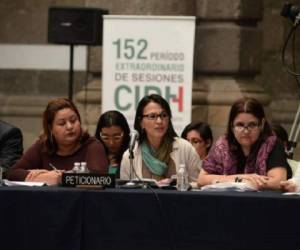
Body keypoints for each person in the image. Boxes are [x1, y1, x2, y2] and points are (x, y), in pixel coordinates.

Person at [7, 98, 108, 185]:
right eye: (62, 123)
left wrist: (60, 178)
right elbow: (12, 173)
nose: (69, 127)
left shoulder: (92, 145)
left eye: (73, 120)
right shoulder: (42, 146)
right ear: (51, 128)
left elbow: (100, 178)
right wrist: (44, 176)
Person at [198, 97, 290, 190]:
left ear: (262, 124)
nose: (246, 131)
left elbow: (278, 182)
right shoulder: (222, 146)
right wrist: (241, 179)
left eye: (252, 125)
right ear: (231, 126)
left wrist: (224, 181)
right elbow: (201, 179)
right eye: (240, 125)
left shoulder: (272, 144)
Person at [120, 94, 201, 183]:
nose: (159, 121)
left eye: (163, 115)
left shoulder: (185, 148)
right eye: (152, 116)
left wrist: (177, 184)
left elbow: (198, 185)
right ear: (141, 122)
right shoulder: (130, 156)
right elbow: (125, 192)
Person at [95, 110, 130, 178]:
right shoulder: (93, 154)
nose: (111, 143)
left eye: (117, 137)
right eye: (105, 137)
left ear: (125, 134)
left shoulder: (132, 154)